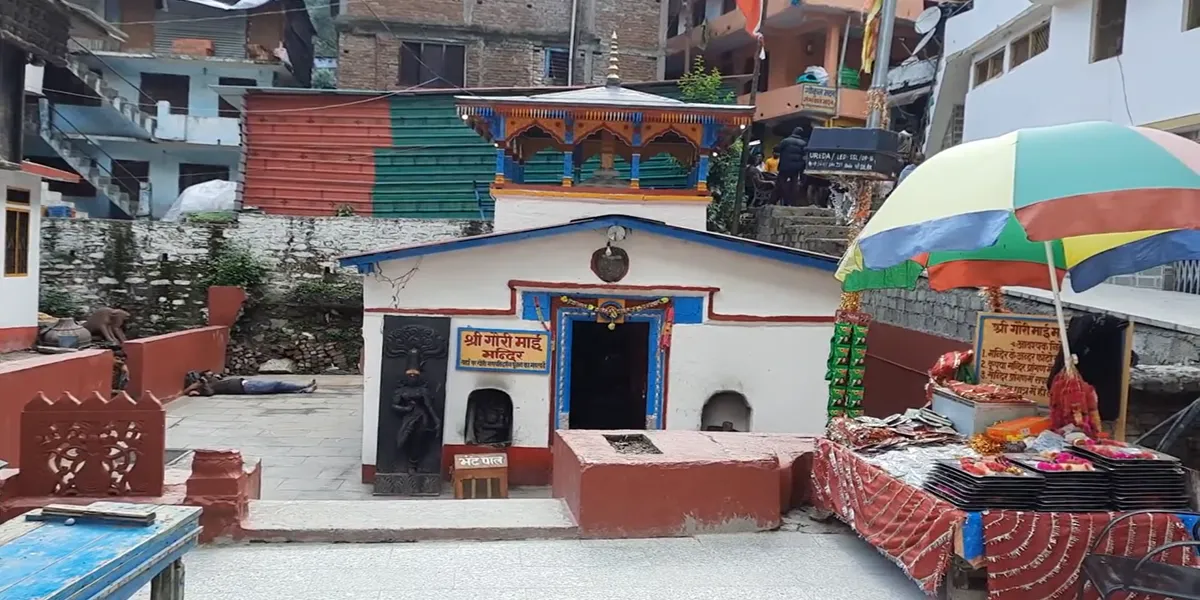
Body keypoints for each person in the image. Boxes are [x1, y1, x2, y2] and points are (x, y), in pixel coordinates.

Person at [183, 371, 318, 396]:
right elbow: (209, 393)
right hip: (246, 388)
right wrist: (197, 386)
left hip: (245, 383)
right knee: (276, 384)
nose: (210, 374)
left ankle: (303, 390)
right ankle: (303, 387)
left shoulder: (212, 381)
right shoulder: (205, 388)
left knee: (276, 388)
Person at [772, 127, 808, 205]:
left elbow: (778, 149)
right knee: (793, 184)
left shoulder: (785, 141)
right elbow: (804, 155)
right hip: (796, 168)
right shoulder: (803, 143)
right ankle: (792, 202)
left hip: (784, 166)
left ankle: (776, 200)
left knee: (780, 183)